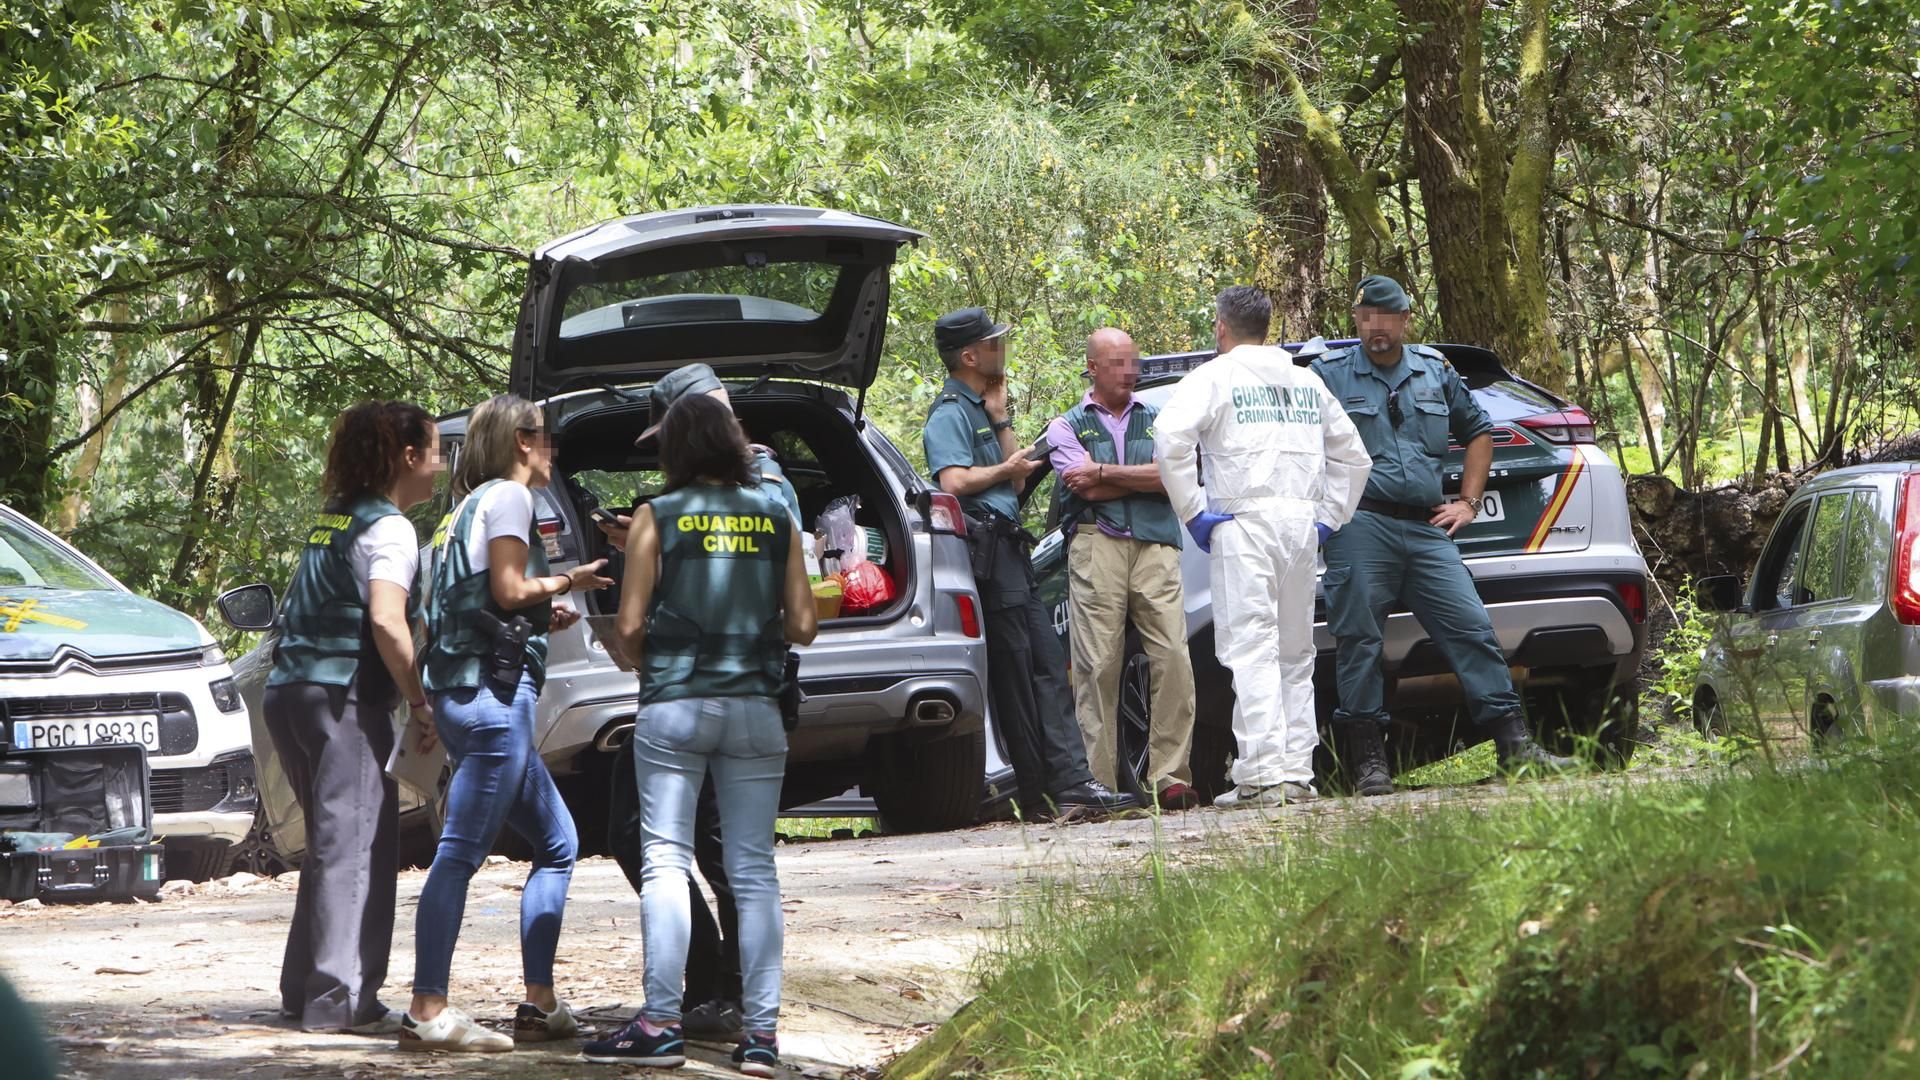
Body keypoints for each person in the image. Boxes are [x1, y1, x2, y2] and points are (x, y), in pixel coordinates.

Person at [582, 391, 818, 1076]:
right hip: (755, 707)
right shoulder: (775, 513)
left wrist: (649, 659)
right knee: (753, 869)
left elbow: (629, 625)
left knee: (663, 858)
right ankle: (762, 1036)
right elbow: (804, 625)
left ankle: (660, 1025)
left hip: (676, 706)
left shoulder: (657, 516)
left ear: (675, 450)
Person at [1309, 275, 1576, 795]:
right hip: (1361, 523)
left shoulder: (1435, 371)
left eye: (1386, 318)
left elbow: (1478, 431)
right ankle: (1369, 762)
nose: (1376, 327)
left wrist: (1469, 504)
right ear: (1356, 320)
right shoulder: (1328, 376)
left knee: (1471, 628)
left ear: (1405, 320)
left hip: (1426, 526)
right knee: (1359, 641)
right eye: (1366, 317)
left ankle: (1515, 747)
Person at [404, 394, 612, 1052]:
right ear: (522, 441)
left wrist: (537, 615)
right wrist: (568, 582)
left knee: (558, 842)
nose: (553, 450)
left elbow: (467, 605)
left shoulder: (461, 510)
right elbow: (507, 588)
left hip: (461, 692)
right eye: (546, 437)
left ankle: (539, 1003)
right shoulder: (513, 497)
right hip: (494, 700)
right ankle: (426, 1008)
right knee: (460, 852)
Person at [1155, 286, 1374, 808]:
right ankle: (1297, 771)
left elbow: (1169, 436)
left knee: (1250, 647)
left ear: (1221, 327)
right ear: (1266, 327)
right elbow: (1355, 457)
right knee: (1295, 652)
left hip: (1244, 522)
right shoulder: (1306, 382)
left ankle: (1262, 774)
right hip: (1300, 525)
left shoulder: (1214, 377)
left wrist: (1193, 511)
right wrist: (1329, 518)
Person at [921, 307, 1142, 822]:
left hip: (1010, 553)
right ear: (969, 356)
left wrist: (1001, 419)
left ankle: (1070, 785)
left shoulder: (981, 407)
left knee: (1044, 666)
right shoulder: (949, 412)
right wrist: (1004, 466)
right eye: (992, 343)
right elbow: (953, 482)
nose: (1001, 349)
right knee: (1021, 674)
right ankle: (1046, 792)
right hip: (989, 556)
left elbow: (1018, 481)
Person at [262, 400, 441, 1035]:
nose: (440, 465)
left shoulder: (334, 518)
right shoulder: (390, 529)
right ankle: (339, 999)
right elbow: (388, 622)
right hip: (344, 699)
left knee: (329, 846)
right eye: (434, 451)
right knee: (357, 847)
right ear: (408, 456)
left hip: (289, 694)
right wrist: (419, 702)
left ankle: (304, 990)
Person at [1043, 328, 1200, 810]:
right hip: (1097, 545)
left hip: (1156, 545)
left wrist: (1104, 472)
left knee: (1173, 654)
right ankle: (1100, 785)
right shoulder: (1065, 426)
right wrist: (1142, 478)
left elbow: (1175, 476)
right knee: (1098, 665)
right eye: (1117, 363)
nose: (1129, 372)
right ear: (1092, 367)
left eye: (1134, 362)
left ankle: (1170, 777)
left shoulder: (1160, 419)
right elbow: (1083, 488)